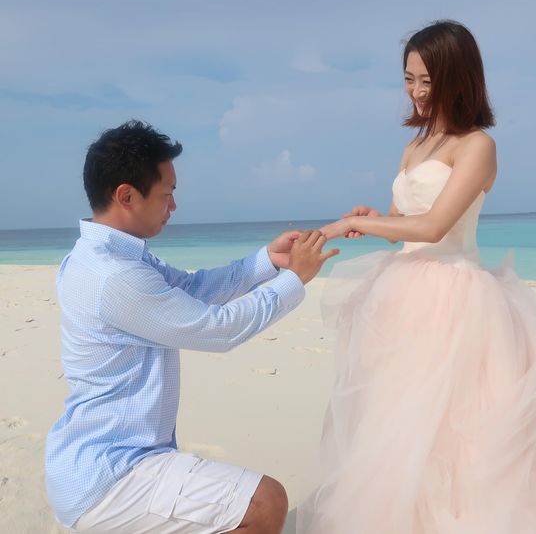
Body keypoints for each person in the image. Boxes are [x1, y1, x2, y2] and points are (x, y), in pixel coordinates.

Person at [296, 21, 536, 533]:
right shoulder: (416, 145)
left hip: (459, 296)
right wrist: (375, 217)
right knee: (402, 422)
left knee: (463, 428)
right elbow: (402, 227)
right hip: (403, 294)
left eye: (428, 80)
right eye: (409, 79)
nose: (417, 92)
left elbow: (434, 226)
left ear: (459, 77)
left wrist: (353, 224)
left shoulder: (477, 146)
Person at [45, 120, 338, 534]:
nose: (174, 206)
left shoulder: (113, 255)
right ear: (126, 196)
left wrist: (266, 262)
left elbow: (191, 288)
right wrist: (294, 280)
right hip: (109, 474)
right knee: (265, 502)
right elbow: (216, 329)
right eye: (166, 194)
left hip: (104, 457)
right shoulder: (112, 275)